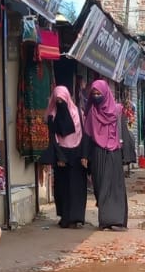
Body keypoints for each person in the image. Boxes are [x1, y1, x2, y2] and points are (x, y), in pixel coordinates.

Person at [84, 79, 128, 230]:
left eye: (99, 93)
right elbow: (88, 136)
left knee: (115, 187)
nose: (97, 96)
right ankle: (106, 220)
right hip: (98, 154)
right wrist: (85, 157)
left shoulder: (116, 111)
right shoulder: (92, 113)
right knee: (101, 186)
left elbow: (124, 133)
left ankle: (117, 220)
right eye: (94, 94)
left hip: (114, 153)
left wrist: (126, 155)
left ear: (106, 94)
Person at [46, 84, 87, 228]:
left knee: (77, 186)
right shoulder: (52, 115)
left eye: (62, 100)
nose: (60, 104)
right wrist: (60, 157)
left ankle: (77, 218)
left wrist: (83, 155)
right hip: (61, 154)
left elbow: (83, 133)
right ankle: (65, 217)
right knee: (62, 188)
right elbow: (53, 138)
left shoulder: (78, 113)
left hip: (77, 154)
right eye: (57, 101)